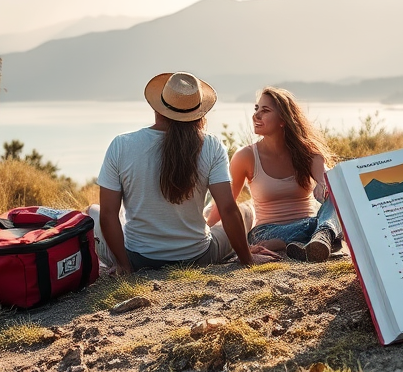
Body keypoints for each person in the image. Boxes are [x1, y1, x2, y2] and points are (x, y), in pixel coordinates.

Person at [90, 72, 279, 274]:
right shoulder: (211, 146)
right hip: (197, 256)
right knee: (245, 211)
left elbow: (109, 214)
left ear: (157, 108)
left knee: (93, 210)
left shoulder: (122, 145)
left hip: (138, 259)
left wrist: (124, 265)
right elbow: (228, 209)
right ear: (198, 112)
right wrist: (247, 259)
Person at [206, 87, 342, 263]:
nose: (256, 116)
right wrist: (207, 228)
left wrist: (323, 185)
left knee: (337, 195)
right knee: (322, 225)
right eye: (256, 109)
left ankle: (314, 240)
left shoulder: (308, 153)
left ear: (283, 120)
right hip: (267, 231)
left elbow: (324, 178)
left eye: (265, 110)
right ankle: (324, 235)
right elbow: (226, 201)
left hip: (308, 221)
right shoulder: (245, 156)